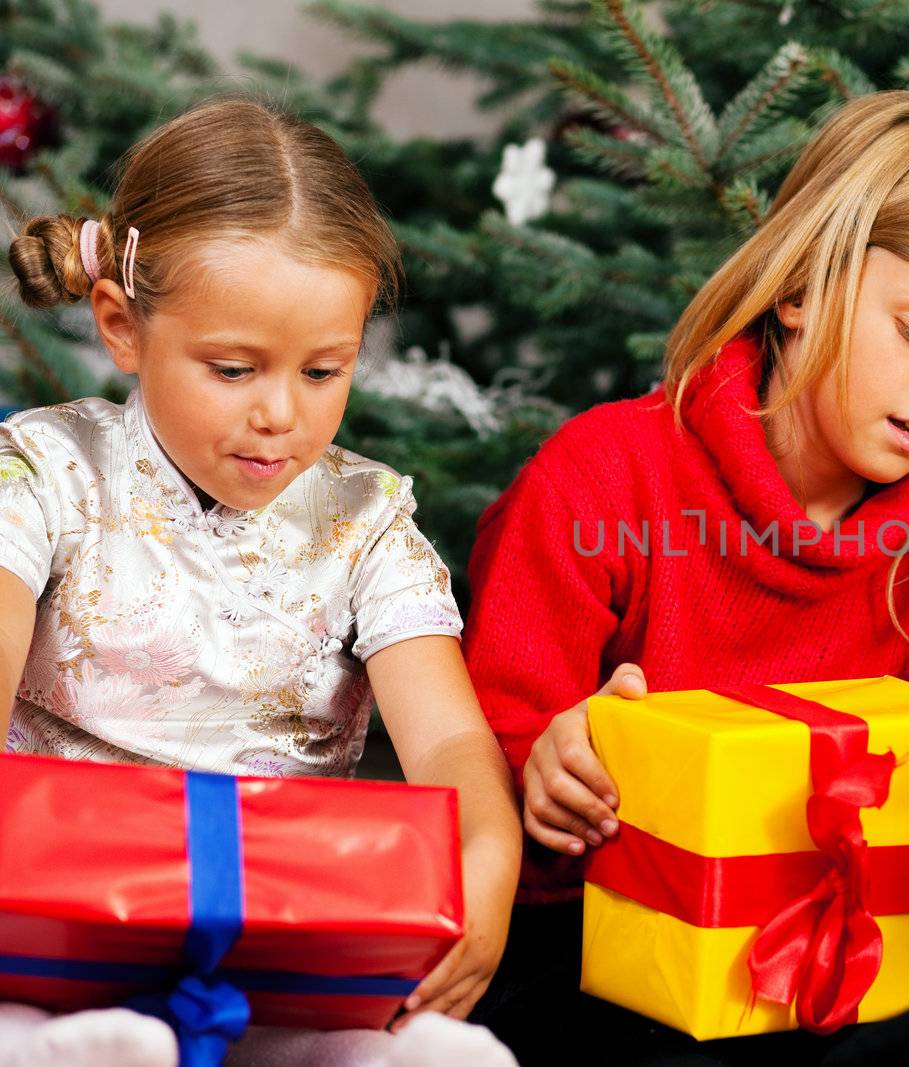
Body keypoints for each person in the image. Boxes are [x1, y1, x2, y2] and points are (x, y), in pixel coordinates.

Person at [464, 90, 909, 1065]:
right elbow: (483, 755)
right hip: (592, 943)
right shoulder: (605, 473)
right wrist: (550, 763)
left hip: (820, 955)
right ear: (800, 291)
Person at [0, 99, 521, 1067]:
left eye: (325, 371)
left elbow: (448, 735)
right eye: (234, 368)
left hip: (284, 951)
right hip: (54, 936)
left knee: (442, 1057)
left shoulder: (368, 522)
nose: (281, 412)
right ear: (121, 326)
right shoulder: (43, 472)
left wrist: (488, 864)